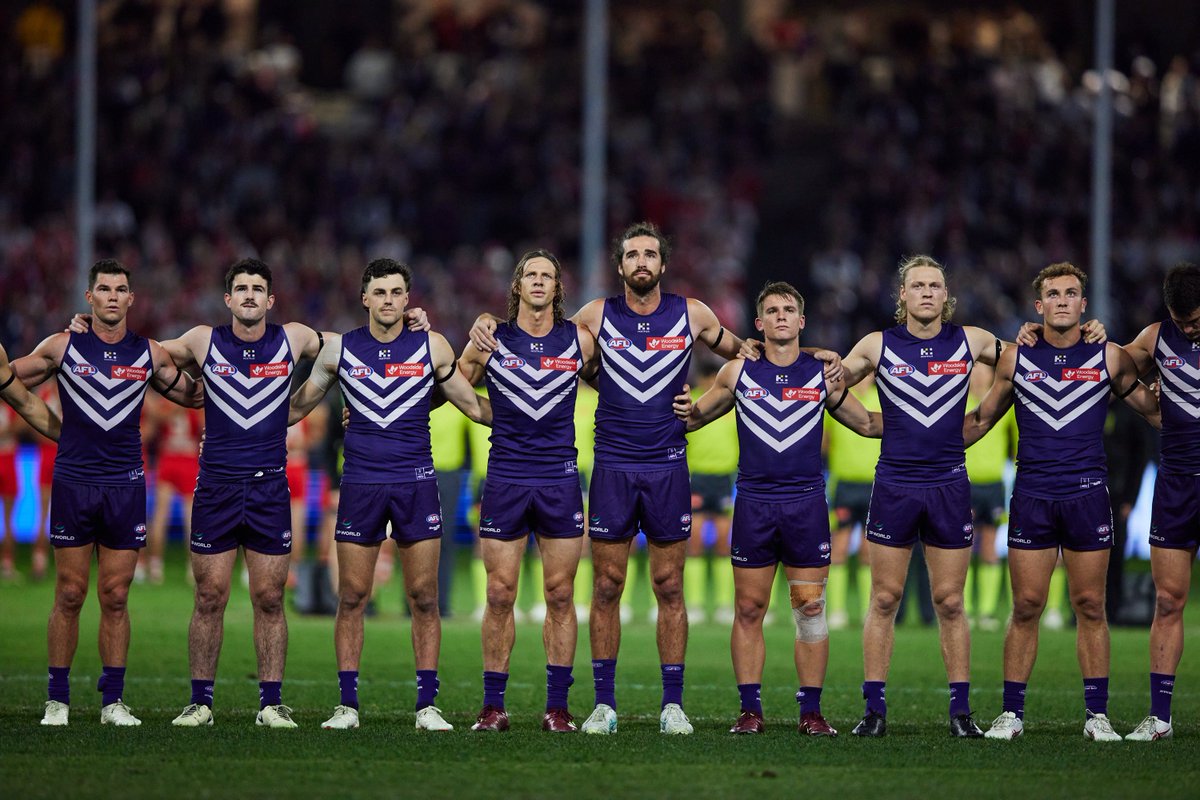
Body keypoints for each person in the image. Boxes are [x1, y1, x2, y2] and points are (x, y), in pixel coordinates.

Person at [468, 223, 832, 735]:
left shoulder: (694, 314)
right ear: (620, 267)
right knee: (607, 586)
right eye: (632, 254)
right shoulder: (594, 316)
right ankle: (603, 703)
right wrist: (488, 320)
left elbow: (754, 353)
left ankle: (673, 705)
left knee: (669, 586)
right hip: (612, 466)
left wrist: (811, 357)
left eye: (650, 254)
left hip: (666, 466)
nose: (641, 261)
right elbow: (538, 335)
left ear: (663, 264)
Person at [816, 255, 1096, 738]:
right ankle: (874, 711)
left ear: (948, 297)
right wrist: (843, 396)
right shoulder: (877, 344)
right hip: (895, 485)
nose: (926, 292)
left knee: (950, 602)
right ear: (901, 295)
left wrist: (1072, 333)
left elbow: (1028, 358)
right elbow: (842, 386)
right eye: (917, 285)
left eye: (935, 286)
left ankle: (961, 714)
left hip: (949, 485)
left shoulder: (973, 340)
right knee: (883, 598)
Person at [287, 258, 490, 731]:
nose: (388, 300)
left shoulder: (432, 346)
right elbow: (299, 405)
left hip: (416, 482)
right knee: (353, 595)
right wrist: (245, 428)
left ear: (407, 299)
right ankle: (347, 706)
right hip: (359, 482)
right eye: (379, 292)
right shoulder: (339, 350)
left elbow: (472, 405)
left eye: (396, 292)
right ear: (365, 298)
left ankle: (427, 707)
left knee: (423, 596)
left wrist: (531, 420)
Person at [128, 257, 329, 729]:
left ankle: (271, 704)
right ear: (228, 299)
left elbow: (350, 352)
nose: (250, 295)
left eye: (258, 288)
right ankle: (201, 703)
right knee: (209, 596)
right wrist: (93, 331)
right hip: (216, 486)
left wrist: (299, 406)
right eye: (241, 288)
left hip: (269, 489)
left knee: (270, 597)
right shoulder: (203, 340)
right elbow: (150, 356)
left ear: (271, 299)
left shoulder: (295, 337)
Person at [965, 262, 1159, 742]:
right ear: (1039, 306)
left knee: (1090, 605)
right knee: (1027, 605)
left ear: (1083, 304)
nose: (1063, 301)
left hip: (1088, 496)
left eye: (1071, 293)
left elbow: (1153, 406)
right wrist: (924, 442)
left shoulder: (1108, 356)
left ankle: (1097, 715)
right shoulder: (1016, 358)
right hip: (1032, 494)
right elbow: (982, 419)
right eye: (1053, 294)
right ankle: (1012, 714)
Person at [685, 281, 881, 736]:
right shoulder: (736, 373)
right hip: (753, 504)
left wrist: (928, 423)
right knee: (749, 609)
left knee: (809, 610)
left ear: (801, 321)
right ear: (759, 323)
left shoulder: (822, 374)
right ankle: (750, 711)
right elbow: (694, 416)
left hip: (806, 506)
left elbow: (867, 423)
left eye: (788, 309)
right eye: (771, 310)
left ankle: (811, 712)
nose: (780, 316)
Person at [13, 259, 199, 727]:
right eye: (104, 289)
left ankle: (112, 701)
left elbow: (196, 395)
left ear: (131, 299)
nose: (113, 296)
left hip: (125, 484)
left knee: (116, 595)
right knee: (70, 593)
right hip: (74, 481)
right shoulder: (62, 346)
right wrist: (51, 426)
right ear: (89, 298)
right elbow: (13, 379)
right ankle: (58, 699)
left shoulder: (150, 353)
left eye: (121, 289)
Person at [457, 250, 598, 733]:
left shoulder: (578, 340)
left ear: (558, 290)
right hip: (506, 477)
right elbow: (449, 385)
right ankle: (493, 706)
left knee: (560, 595)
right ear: (518, 285)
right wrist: (487, 413)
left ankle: (558, 708)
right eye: (531, 275)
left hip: (559, 479)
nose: (539, 282)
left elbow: (619, 386)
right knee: (499, 593)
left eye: (548, 277)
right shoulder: (491, 338)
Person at [1117, 262, 1200, 741]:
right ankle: (1160, 718)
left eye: (1195, 320)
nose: (1189, 328)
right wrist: (1145, 403)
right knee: (1168, 600)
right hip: (1175, 483)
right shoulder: (1155, 338)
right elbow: (1110, 370)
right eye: (1182, 320)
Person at [823, 373, 881, 629]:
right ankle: (836, 610)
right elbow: (825, 444)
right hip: (845, 485)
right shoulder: (836, 401)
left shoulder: (883, 400)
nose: (862, 379)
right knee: (840, 548)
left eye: (868, 375)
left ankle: (869, 610)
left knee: (870, 551)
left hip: (874, 484)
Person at [684, 360, 738, 624]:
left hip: (724, 478)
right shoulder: (692, 403)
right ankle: (693, 604)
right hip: (698, 477)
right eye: (708, 379)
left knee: (723, 543)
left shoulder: (730, 405)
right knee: (693, 542)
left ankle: (724, 605)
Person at [963, 363, 1017, 631]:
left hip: (994, 485)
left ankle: (985, 612)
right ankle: (963, 609)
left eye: (985, 372)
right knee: (962, 548)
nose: (979, 376)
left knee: (989, 548)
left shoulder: (1002, 406)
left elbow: (1016, 441)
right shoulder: (958, 402)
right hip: (965, 483)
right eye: (975, 371)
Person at [143, 398, 203, 584]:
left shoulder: (165, 405)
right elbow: (205, 429)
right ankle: (190, 568)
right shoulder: (196, 406)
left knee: (162, 515)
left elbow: (154, 425)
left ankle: (155, 565)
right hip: (186, 459)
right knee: (189, 518)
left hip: (170, 458)